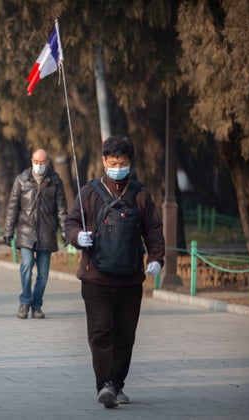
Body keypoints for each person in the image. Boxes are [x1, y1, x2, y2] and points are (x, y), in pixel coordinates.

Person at [64, 135, 165, 408]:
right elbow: (71, 221)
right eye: (112, 162)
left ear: (130, 163)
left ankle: (117, 383)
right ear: (103, 162)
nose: (117, 166)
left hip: (130, 278)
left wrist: (156, 257)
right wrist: (77, 236)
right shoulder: (89, 192)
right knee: (100, 331)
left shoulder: (141, 195)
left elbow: (153, 230)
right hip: (95, 275)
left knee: (125, 335)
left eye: (122, 162)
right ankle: (105, 384)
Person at [3, 149, 68, 319]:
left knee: (43, 273)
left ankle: (37, 305)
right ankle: (24, 302)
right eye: (36, 162)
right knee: (26, 264)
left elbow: (61, 209)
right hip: (26, 231)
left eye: (42, 162)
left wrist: (65, 230)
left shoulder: (55, 182)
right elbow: (12, 207)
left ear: (48, 162)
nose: (39, 165)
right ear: (32, 160)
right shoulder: (21, 180)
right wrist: (8, 230)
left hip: (46, 232)